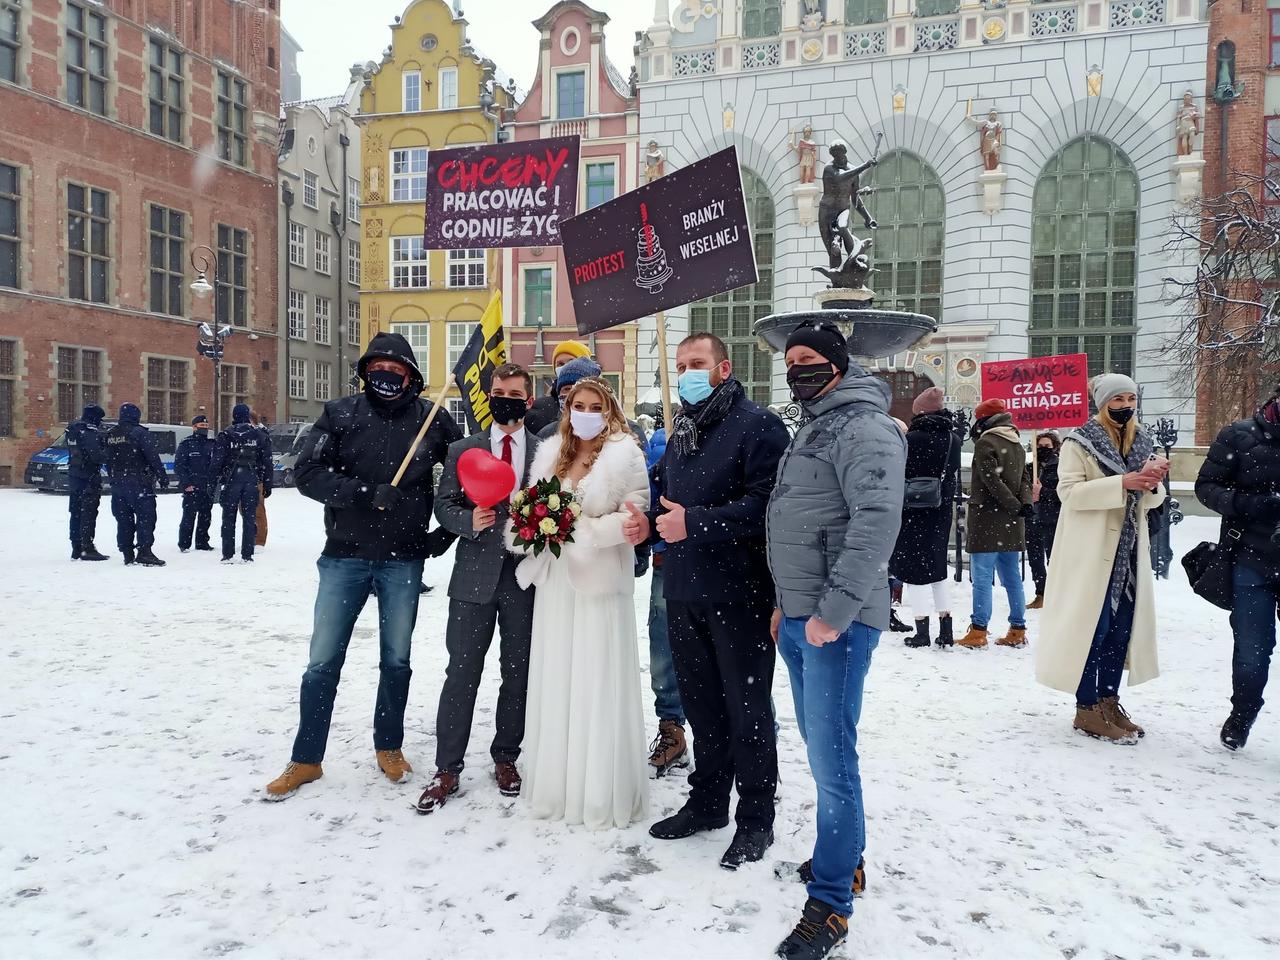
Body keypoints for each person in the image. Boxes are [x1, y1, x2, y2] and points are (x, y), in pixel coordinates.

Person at [264, 332, 461, 801]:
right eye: (378, 369)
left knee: (396, 660)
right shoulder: (340, 414)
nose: (386, 377)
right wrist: (363, 494)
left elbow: (467, 473)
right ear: (365, 372)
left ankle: (388, 746)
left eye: (397, 371)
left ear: (412, 377)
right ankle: (307, 757)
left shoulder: (432, 420)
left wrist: (446, 532)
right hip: (344, 556)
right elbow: (307, 473)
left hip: (404, 560)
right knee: (322, 661)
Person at [623, 333, 789, 868]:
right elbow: (667, 501)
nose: (688, 372)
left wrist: (694, 523)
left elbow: (767, 506)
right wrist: (646, 527)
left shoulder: (758, 426)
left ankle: (756, 816)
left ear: (724, 367)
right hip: (684, 590)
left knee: (747, 710)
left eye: (697, 363)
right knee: (701, 706)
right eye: (680, 365)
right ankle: (709, 800)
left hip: (739, 592)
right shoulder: (681, 432)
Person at [765, 321, 904, 960]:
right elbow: (800, 520)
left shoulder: (864, 427)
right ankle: (843, 859)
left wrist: (833, 612)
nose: (798, 370)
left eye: (811, 360)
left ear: (840, 365)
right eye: (791, 361)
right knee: (824, 749)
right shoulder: (818, 422)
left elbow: (874, 526)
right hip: (802, 615)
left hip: (835, 624)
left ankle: (829, 906)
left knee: (832, 759)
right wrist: (787, 606)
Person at [512, 376, 649, 830]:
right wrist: (532, 525)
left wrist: (577, 530)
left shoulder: (625, 455)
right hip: (556, 585)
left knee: (595, 679)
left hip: (599, 583)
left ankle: (597, 792)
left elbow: (633, 517)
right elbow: (527, 508)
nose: (585, 412)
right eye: (577, 405)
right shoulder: (551, 452)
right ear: (566, 410)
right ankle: (558, 784)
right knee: (558, 678)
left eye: (594, 405)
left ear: (609, 409)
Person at [417, 364, 540, 813]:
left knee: (518, 673)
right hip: (472, 580)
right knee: (461, 673)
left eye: (513, 393)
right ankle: (447, 767)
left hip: (526, 580)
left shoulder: (546, 450)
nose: (503, 399)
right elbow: (443, 504)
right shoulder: (462, 449)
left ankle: (506, 755)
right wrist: (466, 521)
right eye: (497, 392)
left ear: (529, 400)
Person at [1036, 375, 1168, 743]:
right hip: (1090, 550)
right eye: (1117, 399)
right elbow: (1069, 493)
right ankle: (1086, 707)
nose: (1125, 405)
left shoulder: (1142, 440)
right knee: (1093, 629)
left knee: (1121, 630)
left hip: (1127, 552)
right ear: (1102, 403)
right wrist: (1123, 483)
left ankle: (1109, 699)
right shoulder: (1079, 441)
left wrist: (1152, 482)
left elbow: (1152, 501)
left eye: (1130, 398)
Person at [1194, 386, 1280, 751]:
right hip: (1252, 557)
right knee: (1252, 648)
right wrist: (1248, 504)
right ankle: (1242, 714)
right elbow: (1206, 486)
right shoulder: (1239, 435)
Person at [958, 398, 1032, 650]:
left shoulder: (986, 442)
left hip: (988, 518)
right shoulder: (1017, 443)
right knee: (1012, 577)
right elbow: (1024, 479)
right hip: (1012, 521)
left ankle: (978, 630)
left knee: (982, 577)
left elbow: (991, 482)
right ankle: (1017, 629)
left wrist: (1012, 504)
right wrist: (1023, 504)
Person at [890, 386, 961, 649]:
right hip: (940, 510)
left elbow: (899, 473)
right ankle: (946, 629)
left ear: (919, 411)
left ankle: (921, 632)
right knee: (937, 570)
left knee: (915, 572)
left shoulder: (912, 439)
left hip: (913, 511)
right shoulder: (953, 438)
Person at [642, 421, 689, 777]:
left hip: (719, 561)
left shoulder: (744, 431)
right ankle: (671, 727)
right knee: (664, 650)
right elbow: (649, 494)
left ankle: (750, 740)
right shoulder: (663, 442)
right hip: (667, 559)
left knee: (730, 657)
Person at [102, 402, 168, 567]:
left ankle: (127, 552)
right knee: (146, 517)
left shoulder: (110, 434)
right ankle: (144, 551)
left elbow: (106, 459)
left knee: (123, 519)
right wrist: (162, 476)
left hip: (118, 483)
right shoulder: (139, 433)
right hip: (139, 482)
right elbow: (153, 457)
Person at [211, 403, 272, 564]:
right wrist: (267, 483)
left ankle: (228, 554)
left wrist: (212, 482)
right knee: (249, 518)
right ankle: (247, 554)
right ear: (247, 416)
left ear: (233, 416)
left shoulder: (226, 435)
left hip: (231, 481)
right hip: (251, 481)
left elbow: (216, 461)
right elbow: (267, 461)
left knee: (228, 518)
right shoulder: (258, 435)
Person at [1025, 430, 1063, 609]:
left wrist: (1043, 493)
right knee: (1035, 559)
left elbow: (1064, 494)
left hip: (1052, 518)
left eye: (1047, 446)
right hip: (1033, 517)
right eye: (1039, 446)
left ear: (1054, 447)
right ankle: (1041, 593)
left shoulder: (1061, 468)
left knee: (1053, 558)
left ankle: (1057, 595)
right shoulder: (1030, 467)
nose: (1043, 449)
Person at [66, 403, 108, 561]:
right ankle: (87, 547)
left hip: (75, 476)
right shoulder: (89, 431)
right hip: (88, 477)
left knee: (76, 512)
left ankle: (76, 547)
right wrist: (108, 454)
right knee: (88, 513)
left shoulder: (73, 429)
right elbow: (96, 456)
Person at [524, 340, 592, 434]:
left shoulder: (601, 404)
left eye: (571, 362)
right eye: (560, 364)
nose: (565, 367)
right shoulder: (540, 408)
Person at [175, 415, 217, 552]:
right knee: (189, 516)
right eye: (201, 426)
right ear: (194, 427)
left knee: (206, 517)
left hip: (207, 486)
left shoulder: (212, 444)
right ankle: (184, 544)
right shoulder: (186, 444)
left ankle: (202, 542)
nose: (204, 429)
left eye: (206, 426)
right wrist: (186, 484)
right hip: (192, 486)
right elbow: (180, 466)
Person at [250, 410, 270, 549]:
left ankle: (259, 541)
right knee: (246, 510)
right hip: (247, 477)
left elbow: (266, 461)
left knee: (258, 511)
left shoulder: (260, 436)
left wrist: (267, 482)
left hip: (257, 478)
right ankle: (251, 537)